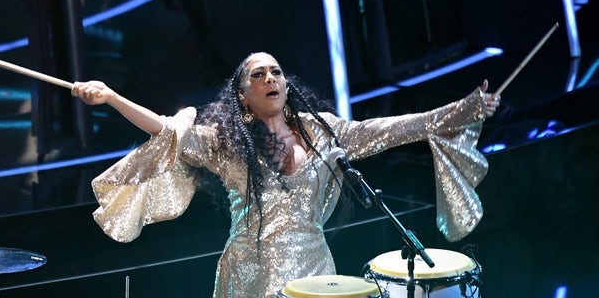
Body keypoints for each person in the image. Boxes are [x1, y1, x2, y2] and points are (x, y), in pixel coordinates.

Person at [71, 52, 500, 298]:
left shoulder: (324, 131)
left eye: (275, 71)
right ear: (243, 96)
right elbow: (165, 129)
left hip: (316, 266)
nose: (270, 77)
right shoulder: (224, 141)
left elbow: (398, 127)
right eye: (257, 75)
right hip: (249, 273)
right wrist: (110, 96)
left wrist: (465, 109)